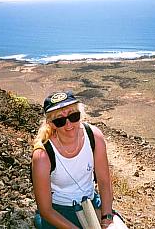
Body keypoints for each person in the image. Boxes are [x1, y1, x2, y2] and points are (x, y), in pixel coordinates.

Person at [31, 91, 114, 229]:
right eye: (60, 120)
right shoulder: (42, 155)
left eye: (73, 116)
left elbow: (104, 181)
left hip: (91, 203)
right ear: (51, 124)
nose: (68, 124)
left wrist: (107, 218)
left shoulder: (93, 136)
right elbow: (45, 210)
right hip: (60, 212)